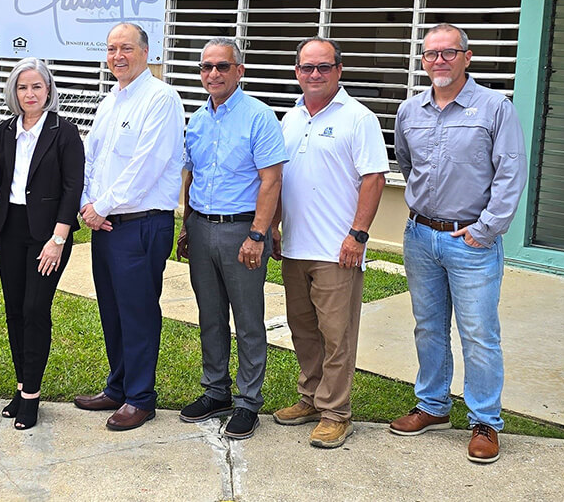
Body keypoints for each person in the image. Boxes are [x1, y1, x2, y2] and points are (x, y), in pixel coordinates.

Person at [390, 23, 527, 464]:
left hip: (471, 241)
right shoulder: (410, 110)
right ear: (423, 61)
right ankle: (432, 406)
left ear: (467, 57)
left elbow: (511, 172)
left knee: (479, 334)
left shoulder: (494, 108)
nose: (439, 61)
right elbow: (406, 163)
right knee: (428, 326)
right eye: (431, 54)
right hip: (420, 235)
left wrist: (484, 228)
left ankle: (485, 420)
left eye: (449, 53)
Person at [273, 37, 388, 448]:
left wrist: (357, 235)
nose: (315, 74)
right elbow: (279, 180)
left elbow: (374, 178)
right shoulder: (290, 118)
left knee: (338, 335)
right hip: (294, 247)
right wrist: (272, 226)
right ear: (297, 72)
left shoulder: (359, 118)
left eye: (323, 67)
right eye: (307, 67)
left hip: (337, 250)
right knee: (303, 330)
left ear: (339, 70)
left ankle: (337, 413)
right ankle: (310, 397)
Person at [74, 22, 185, 431]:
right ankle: (118, 387)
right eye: (111, 49)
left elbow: (147, 165)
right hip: (105, 225)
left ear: (146, 52)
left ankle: (140, 397)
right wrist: (86, 202)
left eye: (126, 48)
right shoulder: (110, 100)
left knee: (137, 313)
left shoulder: (161, 99)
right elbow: (91, 158)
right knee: (113, 311)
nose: (117, 56)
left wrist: (99, 206)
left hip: (140, 225)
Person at [177, 38, 286, 440]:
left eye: (222, 66)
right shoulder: (198, 120)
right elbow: (191, 176)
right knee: (210, 316)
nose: (213, 74)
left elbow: (272, 180)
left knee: (248, 320)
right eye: (206, 67)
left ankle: (247, 402)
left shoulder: (259, 117)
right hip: (203, 228)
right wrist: (187, 225)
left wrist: (259, 234)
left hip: (244, 229)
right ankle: (216, 391)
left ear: (239, 71)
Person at [0, 58, 84, 430]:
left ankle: (32, 397)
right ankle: (21, 385)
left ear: (48, 91)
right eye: (23, 87)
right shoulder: (5, 130)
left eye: (37, 87)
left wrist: (58, 238)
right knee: (14, 310)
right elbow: (2, 181)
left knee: (34, 309)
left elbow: (72, 188)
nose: (30, 93)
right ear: (14, 92)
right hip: (9, 229)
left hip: (48, 236)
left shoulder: (65, 131)